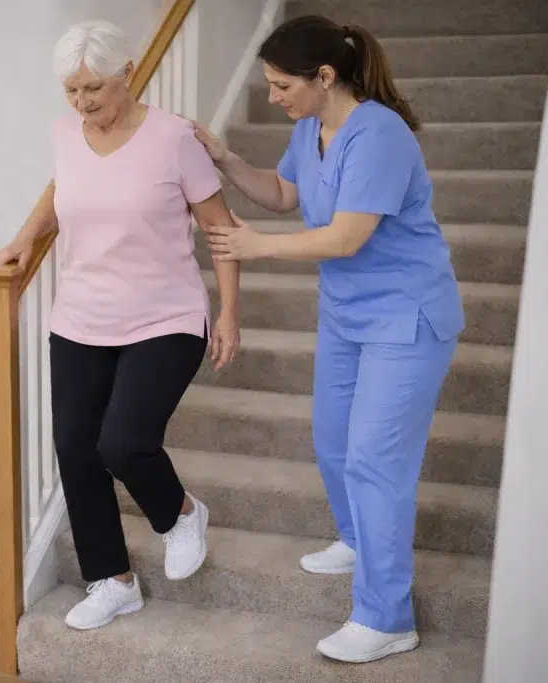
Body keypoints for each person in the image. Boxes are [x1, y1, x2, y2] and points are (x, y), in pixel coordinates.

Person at [192, 14, 464, 663]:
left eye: (282, 85)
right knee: (332, 440)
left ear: (324, 76)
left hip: (407, 316)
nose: (273, 97)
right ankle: (356, 536)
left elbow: (346, 236)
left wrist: (256, 247)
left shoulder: (380, 135)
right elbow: (286, 192)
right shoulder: (311, 126)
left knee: (374, 458)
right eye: (268, 84)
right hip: (348, 313)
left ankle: (386, 614)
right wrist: (227, 160)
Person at [0, 19, 242, 631]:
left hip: (166, 316)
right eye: (72, 91)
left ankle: (181, 513)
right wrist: (24, 240)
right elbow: (60, 190)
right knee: (77, 451)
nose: (83, 103)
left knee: (122, 443)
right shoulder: (65, 134)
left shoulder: (174, 139)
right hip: (81, 316)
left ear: (128, 74)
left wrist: (230, 312)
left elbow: (221, 229)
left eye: (94, 90)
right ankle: (112, 580)